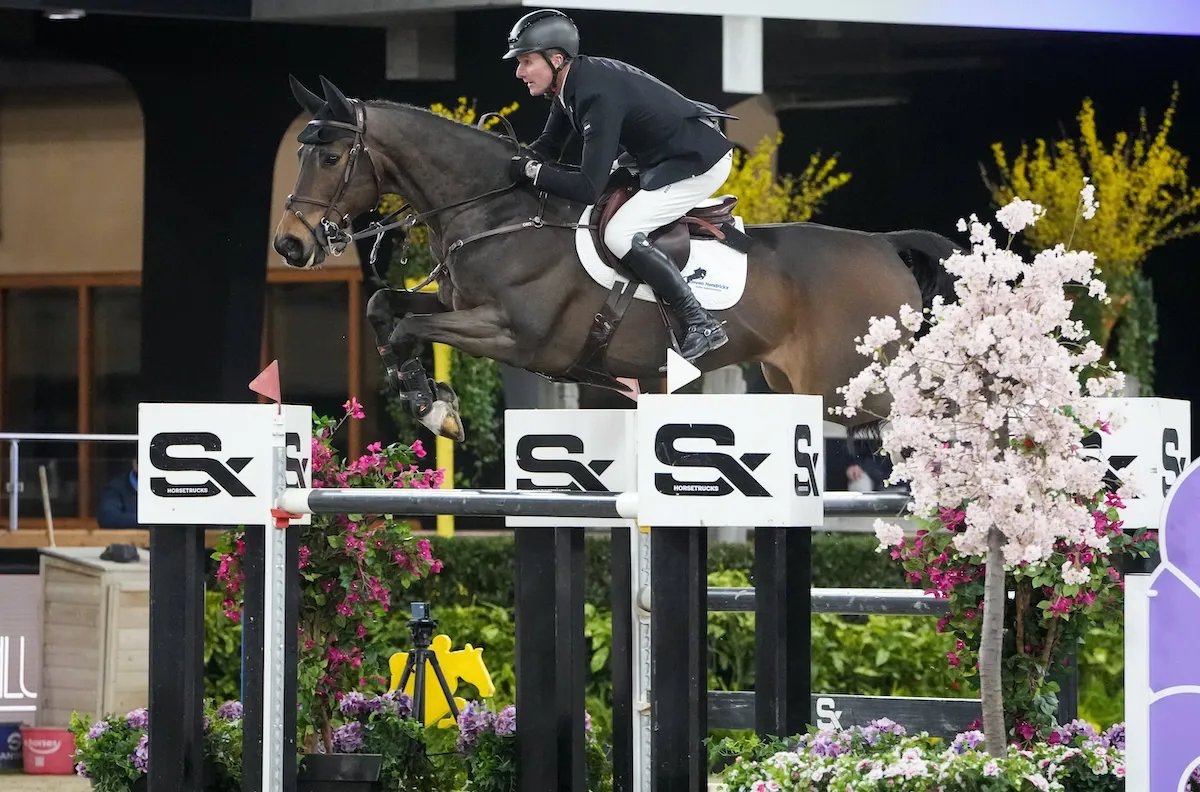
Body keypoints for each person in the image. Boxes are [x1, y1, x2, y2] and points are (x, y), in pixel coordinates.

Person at [503, 8, 735, 362]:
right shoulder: (569, 85)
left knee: (620, 234)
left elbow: (586, 187)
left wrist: (532, 173)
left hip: (697, 162)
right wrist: (503, 163)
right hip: (658, 156)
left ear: (555, 58)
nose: (519, 72)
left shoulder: (596, 95)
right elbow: (546, 148)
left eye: (526, 61)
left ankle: (700, 321)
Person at [97, 459, 138, 529]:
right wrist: (149, 520)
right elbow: (108, 518)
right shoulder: (115, 487)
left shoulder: (162, 485)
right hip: (128, 539)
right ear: (135, 463)